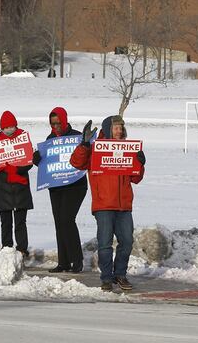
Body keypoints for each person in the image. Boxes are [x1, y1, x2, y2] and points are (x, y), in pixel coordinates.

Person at [70, 115, 145, 291]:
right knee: (104, 244)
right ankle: (106, 278)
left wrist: (140, 164)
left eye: (121, 128)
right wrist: (84, 145)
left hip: (124, 205)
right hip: (103, 205)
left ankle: (120, 274)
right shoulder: (95, 149)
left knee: (126, 241)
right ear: (108, 129)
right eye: (116, 128)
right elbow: (76, 163)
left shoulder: (128, 149)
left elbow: (136, 178)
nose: (119, 131)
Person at [32, 107, 88, 273]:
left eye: (58, 123)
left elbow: (86, 158)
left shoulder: (77, 137)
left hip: (76, 185)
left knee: (67, 220)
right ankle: (63, 262)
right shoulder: (49, 139)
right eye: (52, 123)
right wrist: (37, 160)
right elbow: (47, 164)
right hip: (56, 186)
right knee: (59, 222)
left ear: (64, 121)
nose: (55, 126)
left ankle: (77, 260)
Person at [0, 111, 33, 256]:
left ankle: (22, 249)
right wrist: (2, 166)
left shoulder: (23, 139)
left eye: (12, 126)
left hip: (21, 188)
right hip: (3, 188)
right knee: (5, 222)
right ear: (1, 128)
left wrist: (17, 168)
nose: (10, 129)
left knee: (20, 222)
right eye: (7, 127)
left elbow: (29, 162)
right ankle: (6, 248)